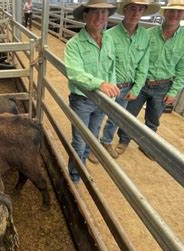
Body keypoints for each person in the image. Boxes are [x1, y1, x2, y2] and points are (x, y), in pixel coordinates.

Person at [116, 0, 184, 158]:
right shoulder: (148, 34)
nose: (175, 15)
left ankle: (147, 144)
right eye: (172, 11)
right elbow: (137, 60)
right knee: (129, 114)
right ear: (165, 13)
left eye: (180, 12)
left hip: (163, 85)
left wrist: (174, 91)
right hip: (141, 82)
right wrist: (135, 84)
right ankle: (123, 140)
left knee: (153, 118)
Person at [64, 0, 119, 184]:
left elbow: (112, 67)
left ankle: (82, 165)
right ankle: (74, 176)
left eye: (103, 13)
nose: (99, 17)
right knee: (79, 140)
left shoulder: (109, 40)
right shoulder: (74, 44)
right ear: (85, 16)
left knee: (93, 136)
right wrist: (100, 83)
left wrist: (111, 85)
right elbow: (74, 73)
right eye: (95, 12)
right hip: (82, 100)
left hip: (101, 100)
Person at [99, 0, 160, 159]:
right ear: (124, 10)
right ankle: (93, 144)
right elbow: (104, 63)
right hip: (109, 85)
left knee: (116, 118)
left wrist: (137, 87)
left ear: (144, 12)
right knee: (98, 114)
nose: (136, 13)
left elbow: (144, 63)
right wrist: (105, 83)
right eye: (132, 8)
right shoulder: (109, 35)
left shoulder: (145, 36)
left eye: (140, 9)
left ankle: (105, 141)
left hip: (127, 86)